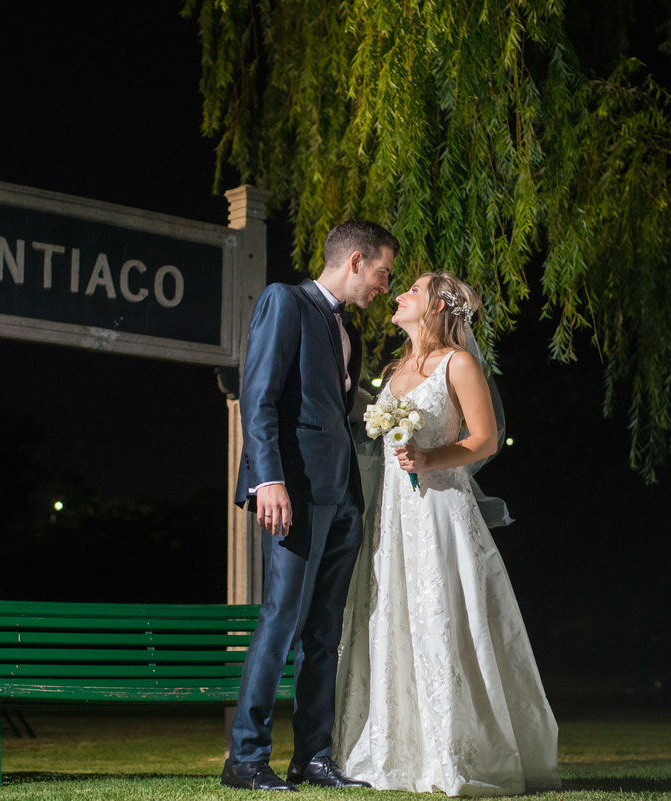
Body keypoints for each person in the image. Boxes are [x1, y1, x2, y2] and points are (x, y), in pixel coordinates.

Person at [333, 271, 561, 796]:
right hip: (394, 515)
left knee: (444, 615)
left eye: (413, 289)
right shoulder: (395, 370)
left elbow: (485, 439)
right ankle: (395, 751)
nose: (399, 294)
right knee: (394, 615)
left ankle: (454, 751)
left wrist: (429, 458)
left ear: (437, 306)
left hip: (439, 510)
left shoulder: (458, 364)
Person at [222, 220, 399, 792]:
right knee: (282, 620)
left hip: (343, 498)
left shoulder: (347, 330)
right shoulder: (285, 302)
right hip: (293, 495)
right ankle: (245, 758)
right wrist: (268, 479)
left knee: (324, 632)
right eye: (382, 273)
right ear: (355, 261)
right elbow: (259, 396)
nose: (385, 287)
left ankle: (314, 757)